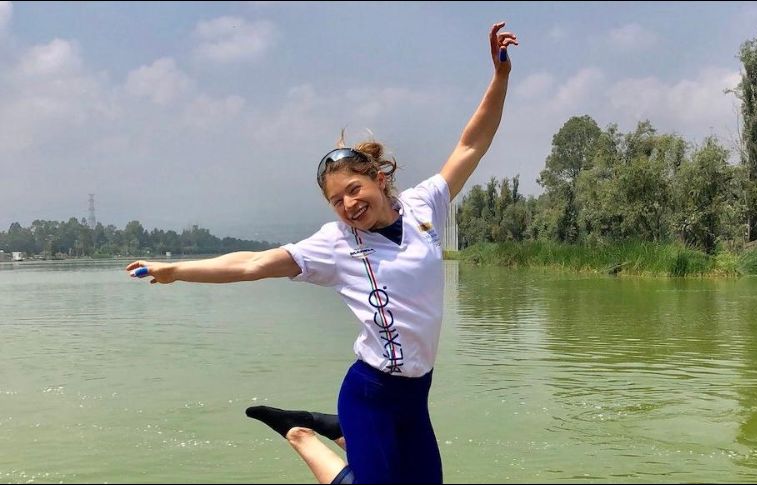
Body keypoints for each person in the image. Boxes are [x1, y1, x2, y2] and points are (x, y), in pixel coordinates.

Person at [126, 21, 517, 484]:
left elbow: (473, 143)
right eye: (337, 200)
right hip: (371, 392)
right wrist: (176, 270)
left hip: (416, 394)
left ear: (379, 178)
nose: (350, 204)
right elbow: (252, 263)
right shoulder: (335, 245)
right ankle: (304, 434)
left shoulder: (423, 205)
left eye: (355, 189)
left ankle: (335, 429)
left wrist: (500, 77)